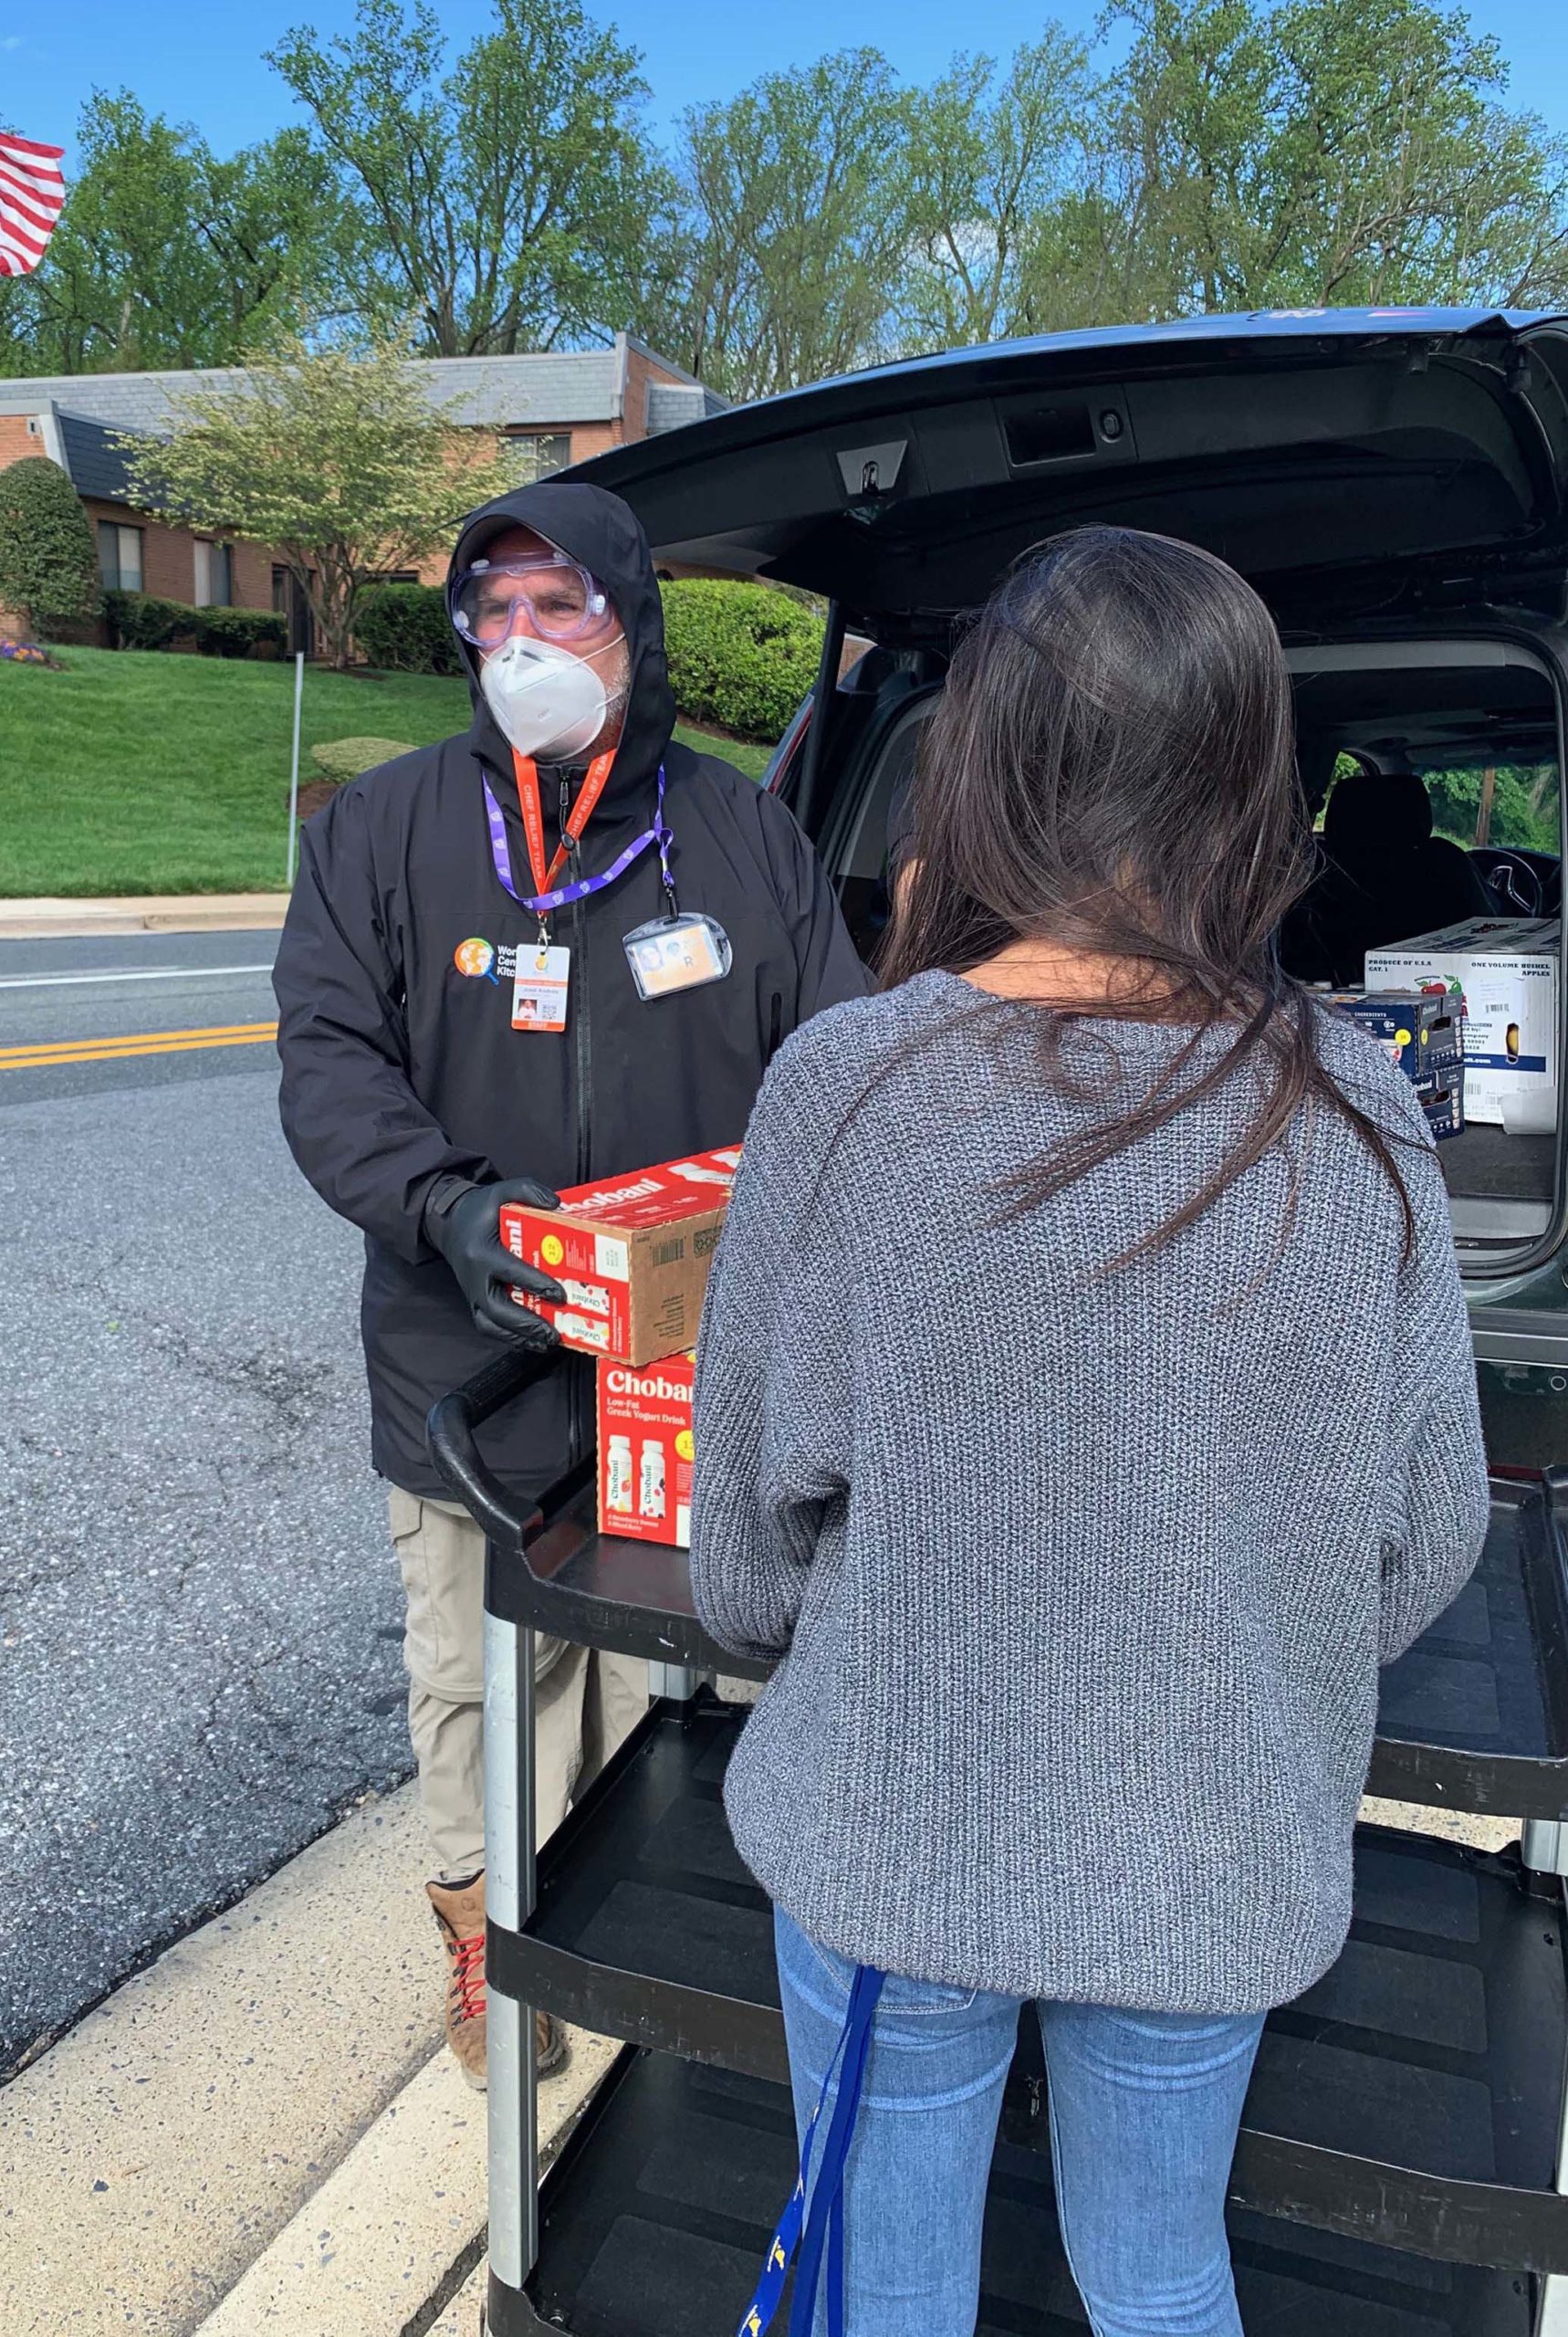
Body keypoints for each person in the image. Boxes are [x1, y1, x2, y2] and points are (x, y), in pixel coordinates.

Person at [689, 525, 1490, 2336]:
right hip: (1213, 1839)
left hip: (892, 1835)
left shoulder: (847, 1085)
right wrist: (1219, 1652)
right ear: (1246, 780)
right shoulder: (1358, 1103)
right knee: (1153, 2271)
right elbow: (1423, 1532)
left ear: (974, 759)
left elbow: (740, 1563)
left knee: (887, 2286)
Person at [272, 480, 868, 2089]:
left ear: (630, 623)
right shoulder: (381, 832)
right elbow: (327, 1067)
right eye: (496, 612)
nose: (523, 642)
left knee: (689, 1680)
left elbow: (839, 1058)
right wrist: (446, 1210)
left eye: (561, 607)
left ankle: (678, 1945)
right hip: (466, 1371)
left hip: (689, 1376)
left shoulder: (740, 831)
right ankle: (492, 1948)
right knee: (483, 1688)